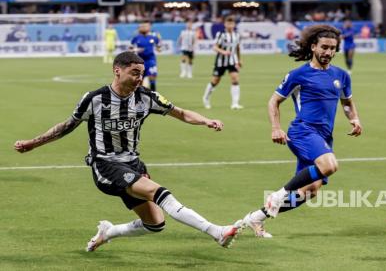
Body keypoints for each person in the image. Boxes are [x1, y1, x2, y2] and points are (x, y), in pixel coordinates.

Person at [14, 51, 243, 251]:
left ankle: (108, 232)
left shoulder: (146, 97)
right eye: (134, 72)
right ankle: (217, 231)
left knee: (155, 224)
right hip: (106, 165)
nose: (139, 78)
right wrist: (34, 143)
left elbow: (180, 113)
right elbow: (66, 127)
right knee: (160, 192)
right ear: (117, 71)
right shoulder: (94, 99)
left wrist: (206, 121)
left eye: (141, 73)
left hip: (134, 164)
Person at [240, 25, 362, 238]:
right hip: (302, 131)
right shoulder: (299, 74)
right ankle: (278, 195)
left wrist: (354, 118)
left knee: (310, 190)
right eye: (324, 47)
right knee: (330, 165)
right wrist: (276, 128)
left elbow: (347, 101)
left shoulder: (341, 76)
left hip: (323, 137)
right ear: (313, 46)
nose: (328, 52)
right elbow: (273, 101)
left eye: (333, 48)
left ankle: (256, 218)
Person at [202, 16, 243, 110]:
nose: (230, 25)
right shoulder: (221, 34)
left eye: (232, 23)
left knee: (235, 78)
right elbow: (215, 47)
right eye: (228, 23)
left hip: (233, 60)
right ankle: (206, 98)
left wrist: (240, 60)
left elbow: (237, 48)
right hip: (220, 61)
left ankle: (235, 103)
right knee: (215, 81)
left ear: (234, 24)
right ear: (225, 24)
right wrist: (223, 52)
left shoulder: (236, 35)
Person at [130, 21, 162, 91]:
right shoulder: (136, 38)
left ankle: (154, 95)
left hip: (151, 60)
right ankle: (139, 97)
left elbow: (159, 48)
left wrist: (159, 48)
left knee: (152, 78)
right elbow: (130, 49)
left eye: (146, 26)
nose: (144, 28)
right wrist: (136, 49)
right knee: (140, 80)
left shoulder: (153, 38)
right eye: (143, 26)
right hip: (140, 61)